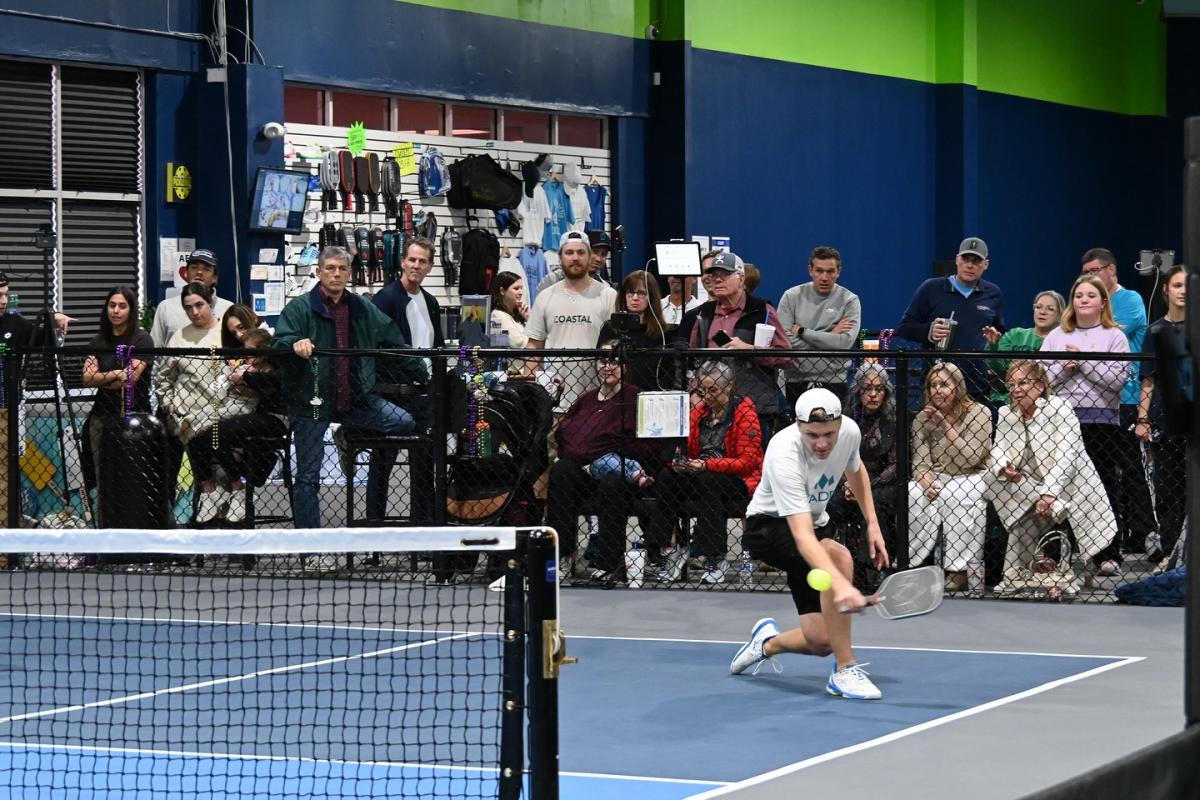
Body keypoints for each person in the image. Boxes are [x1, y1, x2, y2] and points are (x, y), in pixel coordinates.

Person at [729, 388, 890, 700]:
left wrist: (872, 522)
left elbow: (856, 470)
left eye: (829, 434)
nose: (822, 443)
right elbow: (803, 537)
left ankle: (765, 644)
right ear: (798, 426)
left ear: (840, 425)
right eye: (812, 435)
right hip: (768, 528)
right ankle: (845, 670)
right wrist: (842, 587)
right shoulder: (783, 452)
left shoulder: (850, 433)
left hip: (812, 524)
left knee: (821, 641)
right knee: (837, 556)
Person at [272, 246, 425, 531]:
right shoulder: (300, 308)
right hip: (311, 403)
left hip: (355, 399)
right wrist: (294, 344)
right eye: (330, 268)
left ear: (350, 273)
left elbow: (393, 341)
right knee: (307, 477)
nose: (336, 274)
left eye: (342, 268)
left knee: (403, 421)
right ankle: (310, 547)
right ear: (318, 272)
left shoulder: (362, 308)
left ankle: (347, 434)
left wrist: (424, 373)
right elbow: (279, 343)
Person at [989, 360, 1116, 596]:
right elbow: (998, 448)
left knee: (1024, 506)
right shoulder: (1006, 413)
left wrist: (1049, 494)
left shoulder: (1060, 408)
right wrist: (1004, 465)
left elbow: (1067, 457)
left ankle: (1021, 570)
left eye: (1023, 383)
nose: (1016, 389)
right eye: (1011, 384)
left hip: (1067, 484)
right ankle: (1016, 573)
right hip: (1026, 484)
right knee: (994, 479)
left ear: (1040, 385)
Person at [545, 344, 660, 582]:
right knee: (561, 470)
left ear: (625, 367)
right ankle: (562, 555)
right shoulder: (586, 399)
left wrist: (602, 444)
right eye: (603, 361)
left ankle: (609, 562)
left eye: (614, 362)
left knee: (611, 482)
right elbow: (565, 435)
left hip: (621, 471)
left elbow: (644, 443)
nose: (608, 367)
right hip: (584, 469)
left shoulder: (634, 397)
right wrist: (599, 444)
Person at [1041, 275, 1131, 577]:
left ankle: (1108, 553)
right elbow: (1042, 381)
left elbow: (1116, 381)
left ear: (1103, 302)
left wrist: (1083, 362)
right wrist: (1064, 370)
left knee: (1103, 484)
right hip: (1060, 422)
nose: (1083, 300)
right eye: (1079, 295)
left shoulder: (1115, 336)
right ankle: (1053, 552)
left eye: (1091, 295)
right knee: (1057, 485)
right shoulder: (1056, 336)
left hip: (1101, 422)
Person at [644, 360, 762, 584]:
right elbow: (687, 450)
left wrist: (707, 465)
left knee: (707, 480)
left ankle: (715, 557)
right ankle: (664, 547)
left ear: (728, 387)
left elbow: (747, 463)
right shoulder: (699, 413)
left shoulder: (745, 413)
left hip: (738, 479)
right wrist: (682, 463)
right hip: (701, 473)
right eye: (702, 391)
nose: (707, 396)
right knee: (668, 477)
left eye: (713, 390)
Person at [1079, 247, 1157, 563]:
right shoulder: (1089, 303)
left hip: (1126, 396)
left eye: (1094, 270)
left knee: (1131, 466)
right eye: (1085, 272)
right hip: (1093, 401)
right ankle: (1108, 537)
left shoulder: (1130, 300)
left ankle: (1144, 532)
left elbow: (1106, 335)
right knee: (1101, 471)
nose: (1090, 276)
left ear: (1111, 270)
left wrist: (1082, 337)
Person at [368, 238, 444, 524]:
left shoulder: (431, 302)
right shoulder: (386, 298)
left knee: (424, 464)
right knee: (382, 463)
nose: (416, 265)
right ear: (402, 261)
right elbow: (378, 346)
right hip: (392, 394)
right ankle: (374, 529)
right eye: (412, 259)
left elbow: (436, 346)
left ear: (430, 266)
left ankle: (424, 528)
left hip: (423, 395)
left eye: (422, 261)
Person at [186, 328, 287, 523]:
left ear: (262, 352)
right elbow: (233, 388)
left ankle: (236, 487)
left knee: (216, 432)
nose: (246, 355)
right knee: (194, 436)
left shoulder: (269, 368)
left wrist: (242, 380)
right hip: (242, 412)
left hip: (271, 418)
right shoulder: (244, 366)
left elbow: (261, 390)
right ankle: (208, 490)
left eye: (250, 351)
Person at [907, 362, 993, 590]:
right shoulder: (922, 419)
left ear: (958, 387)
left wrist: (945, 426)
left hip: (974, 475)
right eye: (933, 385)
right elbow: (920, 462)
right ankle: (913, 564)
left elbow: (970, 458)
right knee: (913, 492)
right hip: (938, 476)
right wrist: (925, 481)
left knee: (957, 495)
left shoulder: (979, 413)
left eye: (944, 384)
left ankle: (960, 570)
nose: (937, 390)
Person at [689, 251, 792, 439]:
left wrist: (749, 349)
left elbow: (785, 356)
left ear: (741, 278)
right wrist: (694, 391)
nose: (717, 279)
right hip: (711, 407)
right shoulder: (704, 313)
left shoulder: (762, 310)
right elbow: (694, 359)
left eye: (725, 274)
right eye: (714, 275)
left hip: (754, 405)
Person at [896, 236, 1006, 399]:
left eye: (976, 261)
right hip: (937, 384)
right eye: (965, 259)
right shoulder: (931, 288)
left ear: (985, 265)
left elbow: (1000, 332)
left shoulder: (993, 293)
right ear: (957, 260)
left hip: (976, 385)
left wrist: (995, 340)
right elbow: (904, 328)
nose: (970, 265)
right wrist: (929, 331)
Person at [152, 282, 226, 510]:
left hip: (217, 418)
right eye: (188, 307)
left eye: (199, 305)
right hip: (182, 419)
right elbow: (163, 376)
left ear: (210, 303)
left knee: (219, 477)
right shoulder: (179, 337)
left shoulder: (226, 335)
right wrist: (168, 403)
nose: (194, 312)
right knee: (171, 474)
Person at [824, 362, 898, 588]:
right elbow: (837, 458)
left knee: (873, 501)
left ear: (886, 392)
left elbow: (895, 465)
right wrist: (848, 484)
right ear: (858, 391)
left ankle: (874, 568)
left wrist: (864, 488)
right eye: (867, 389)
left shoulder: (896, 419)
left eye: (879, 389)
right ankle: (822, 561)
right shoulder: (846, 421)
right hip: (849, 480)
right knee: (829, 503)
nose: (873, 394)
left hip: (884, 483)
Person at [524, 230, 618, 408]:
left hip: (598, 400)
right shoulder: (545, 297)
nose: (575, 257)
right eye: (569, 252)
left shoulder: (608, 296)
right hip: (554, 400)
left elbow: (615, 347)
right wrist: (530, 394)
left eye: (581, 252)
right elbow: (534, 346)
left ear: (589, 257)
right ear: (560, 259)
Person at [1135, 264, 1188, 567]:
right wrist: (1143, 419)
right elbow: (1148, 379)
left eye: (1188, 286)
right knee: (1168, 490)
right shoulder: (1155, 330)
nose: (1184, 291)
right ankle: (1170, 554)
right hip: (1165, 422)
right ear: (1166, 290)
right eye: (1177, 285)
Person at [80, 286, 155, 495]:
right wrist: (116, 373)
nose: (116, 310)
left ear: (131, 310)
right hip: (102, 416)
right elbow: (87, 378)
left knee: (135, 477)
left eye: (122, 306)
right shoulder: (98, 341)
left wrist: (102, 378)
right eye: (112, 305)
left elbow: (130, 379)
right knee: (103, 477)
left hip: (135, 416)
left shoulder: (141, 339)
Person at [776, 246, 862, 405]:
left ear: (838, 272)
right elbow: (785, 341)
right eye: (819, 271)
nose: (824, 277)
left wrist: (803, 332)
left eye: (830, 271)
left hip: (835, 380)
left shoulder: (849, 300)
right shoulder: (791, 297)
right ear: (810, 270)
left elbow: (844, 343)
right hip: (795, 379)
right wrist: (831, 337)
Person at [983, 290, 1065, 403]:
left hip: (1043, 400)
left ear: (1060, 315)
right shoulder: (1014, 335)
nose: (1042, 312)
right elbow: (999, 369)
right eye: (1038, 307)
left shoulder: (1062, 342)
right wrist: (993, 346)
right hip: (1005, 398)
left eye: (1050, 309)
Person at [597, 270, 673, 391]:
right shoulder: (610, 328)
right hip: (616, 393)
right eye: (630, 293)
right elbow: (600, 364)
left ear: (651, 297)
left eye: (641, 293)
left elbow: (668, 373)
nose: (635, 298)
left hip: (651, 394)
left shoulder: (663, 332)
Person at [150, 248, 233, 345]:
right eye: (194, 267)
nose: (199, 272)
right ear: (186, 273)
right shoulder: (166, 308)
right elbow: (154, 347)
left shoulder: (228, 309)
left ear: (214, 278)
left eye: (206, 269)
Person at [537, 229, 613, 292]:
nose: (598, 259)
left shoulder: (605, 288)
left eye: (604, 254)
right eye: (595, 251)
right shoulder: (551, 281)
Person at [489, 271, 530, 349]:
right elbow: (518, 343)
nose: (521, 292)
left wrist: (529, 318)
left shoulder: (518, 314)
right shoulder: (497, 315)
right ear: (502, 291)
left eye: (521, 288)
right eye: (516, 288)